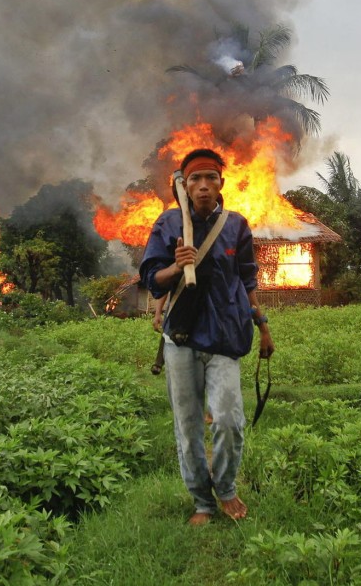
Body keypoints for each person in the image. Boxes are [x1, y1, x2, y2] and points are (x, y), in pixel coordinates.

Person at [139, 148, 274, 526]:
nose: (203, 186)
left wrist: (262, 326)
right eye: (194, 179)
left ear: (220, 184)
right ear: (184, 186)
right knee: (188, 423)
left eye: (209, 178)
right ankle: (202, 500)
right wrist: (175, 266)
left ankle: (226, 488)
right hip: (181, 338)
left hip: (225, 335)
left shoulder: (236, 226)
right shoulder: (168, 224)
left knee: (230, 418)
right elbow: (152, 277)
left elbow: (247, 279)